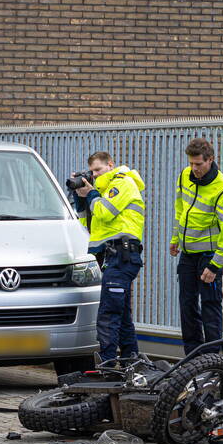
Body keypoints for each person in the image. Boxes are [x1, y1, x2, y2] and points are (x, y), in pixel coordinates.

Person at [73, 151, 146, 365]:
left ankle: (107, 364)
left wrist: (92, 194)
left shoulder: (122, 183)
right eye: (92, 171)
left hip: (122, 255)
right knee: (121, 314)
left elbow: (105, 213)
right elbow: (86, 224)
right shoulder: (102, 192)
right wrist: (80, 198)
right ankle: (131, 361)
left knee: (109, 313)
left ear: (110, 165)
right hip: (112, 257)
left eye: (98, 169)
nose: (95, 174)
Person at [170, 138, 223, 355]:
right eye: (191, 163)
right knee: (187, 305)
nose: (194, 168)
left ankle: (212, 359)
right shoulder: (185, 175)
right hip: (188, 254)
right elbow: (180, 208)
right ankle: (192, 357)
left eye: (198, 164)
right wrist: (175, 238)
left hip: (209, 256)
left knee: (210, 306)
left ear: (211, 160)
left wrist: (215, 265)